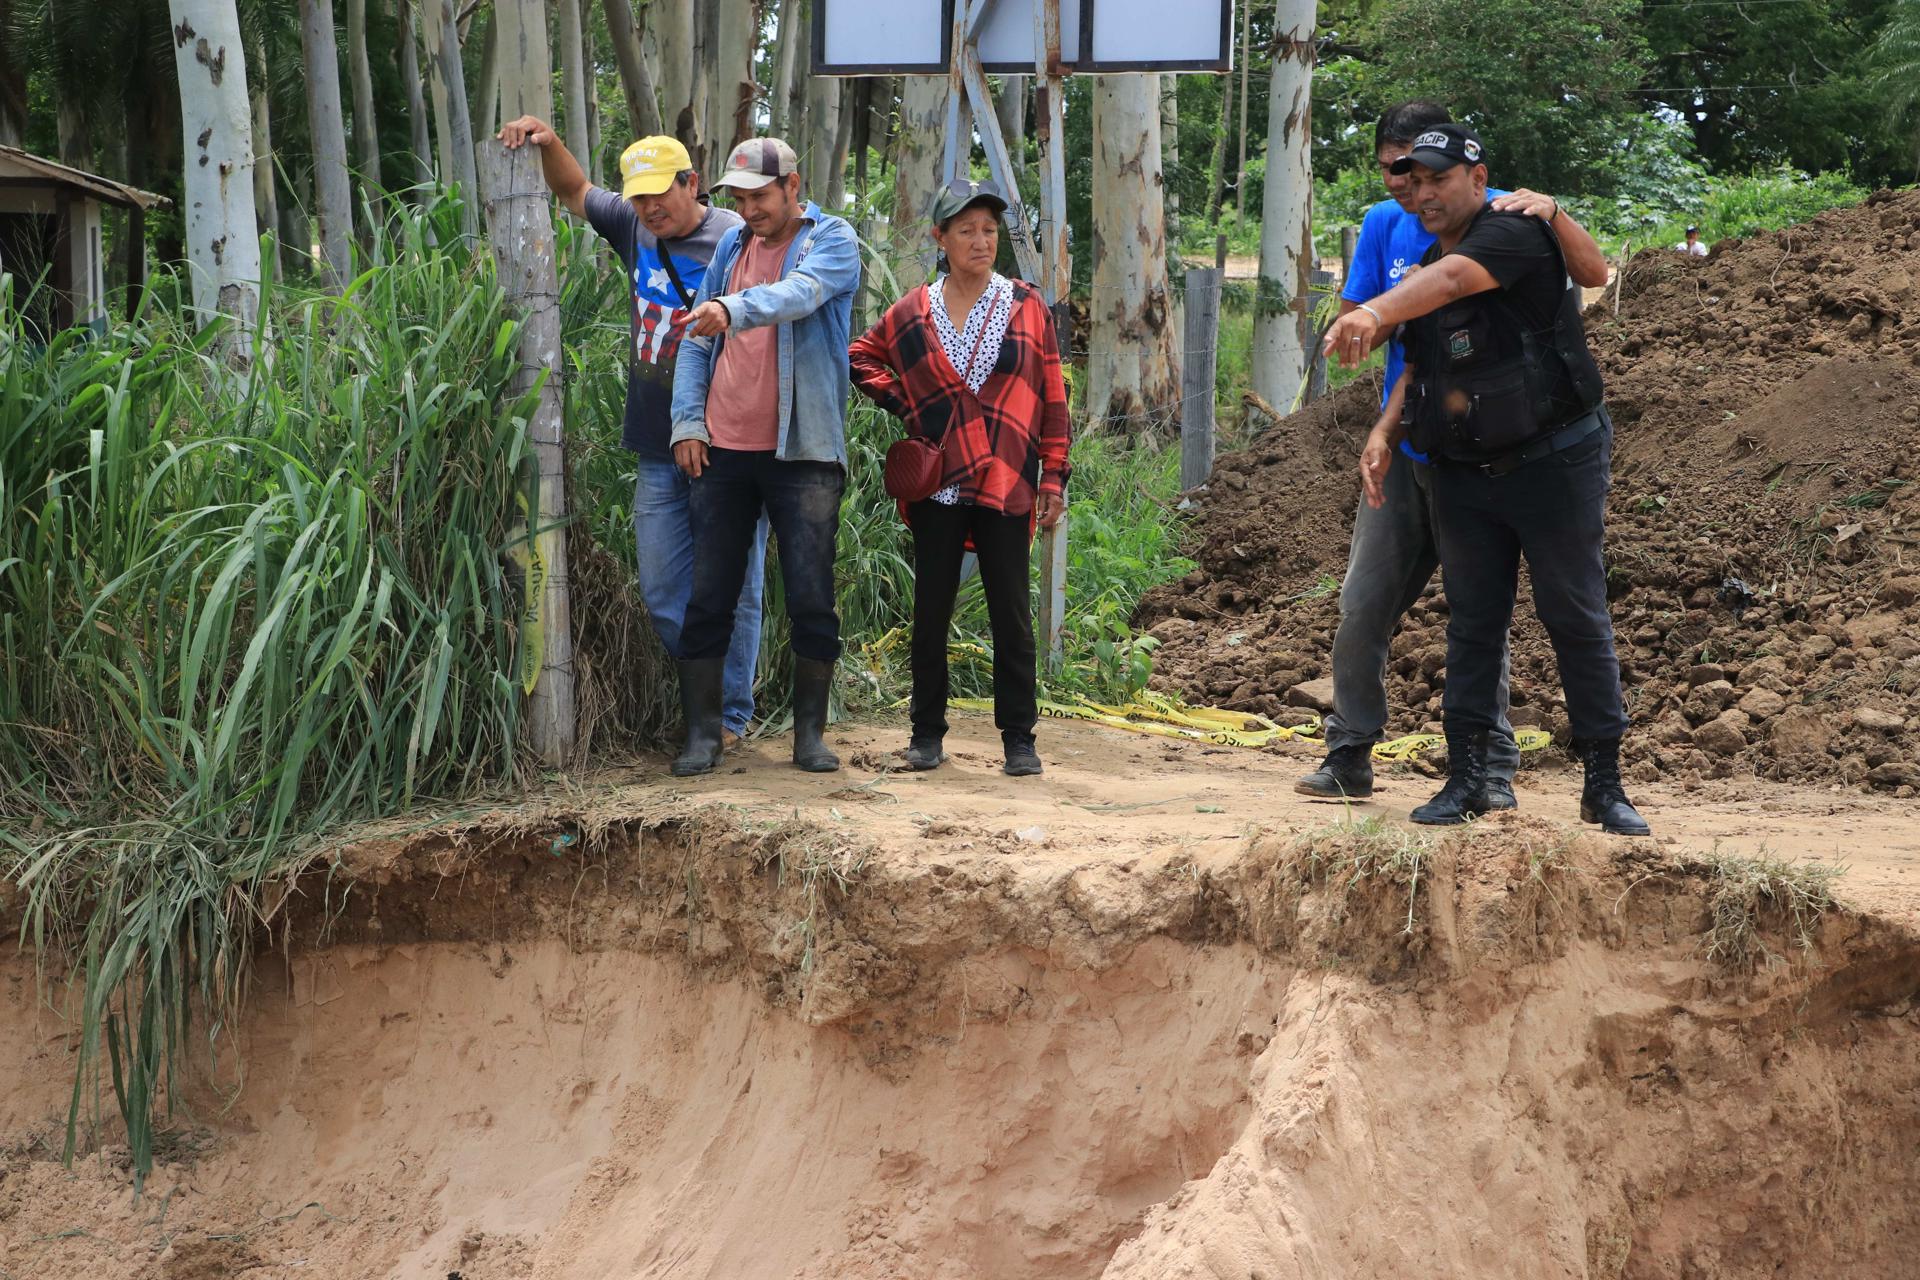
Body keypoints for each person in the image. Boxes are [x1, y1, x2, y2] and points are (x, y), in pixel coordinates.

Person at [1324, 124, 1649, 836]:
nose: (1425, 191)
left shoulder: (1514, 233)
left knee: (1574, 615)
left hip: (1554, 460)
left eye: (1439, 178)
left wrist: (1376, 308)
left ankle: (1604, 783)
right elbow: (1423, 367)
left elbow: (1451, 284)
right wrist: (1384, 432)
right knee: (1472, 624)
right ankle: (1468, 778)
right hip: (1464, 468)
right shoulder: (1425, 255)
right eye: (1414, 179)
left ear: (1479, 179)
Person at [496, 118, 766, 752]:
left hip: (727, 441)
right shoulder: (634, 226)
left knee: (739, 584)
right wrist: (547, 138)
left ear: (692, 183)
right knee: (665, 586)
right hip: (654, 441)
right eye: (639, 196)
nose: (649, 208)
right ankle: (703, 696)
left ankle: (726, 716)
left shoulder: (734, 239)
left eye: (660, 194)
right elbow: (574, 191)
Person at [848, 180, 1071, 778]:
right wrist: (910, 406)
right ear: (939, 238)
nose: (980, 241)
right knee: (932, 608)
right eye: (966, 230)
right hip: (940, 485)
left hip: (1006, 478)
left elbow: (1052, 395)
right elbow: (860, 357)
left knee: (1010, 611)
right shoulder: (913, 311)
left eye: (989, 231)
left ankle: (1019, 740)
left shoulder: (1025, 304)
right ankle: (926, 735)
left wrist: (1054, 476)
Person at [669, 137, 861, 777]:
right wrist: (688, 422)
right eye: (740, 198)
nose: (749, 209)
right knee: (709, 595)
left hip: (803, 449)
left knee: (810, 592)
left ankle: (809, 736)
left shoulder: (832, 241)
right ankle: (704, 736)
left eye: (759, 195)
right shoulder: (731, 248)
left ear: (792, 186)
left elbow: (800, 295)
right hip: (724, 449)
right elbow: (698, 340)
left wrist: (733, 308)